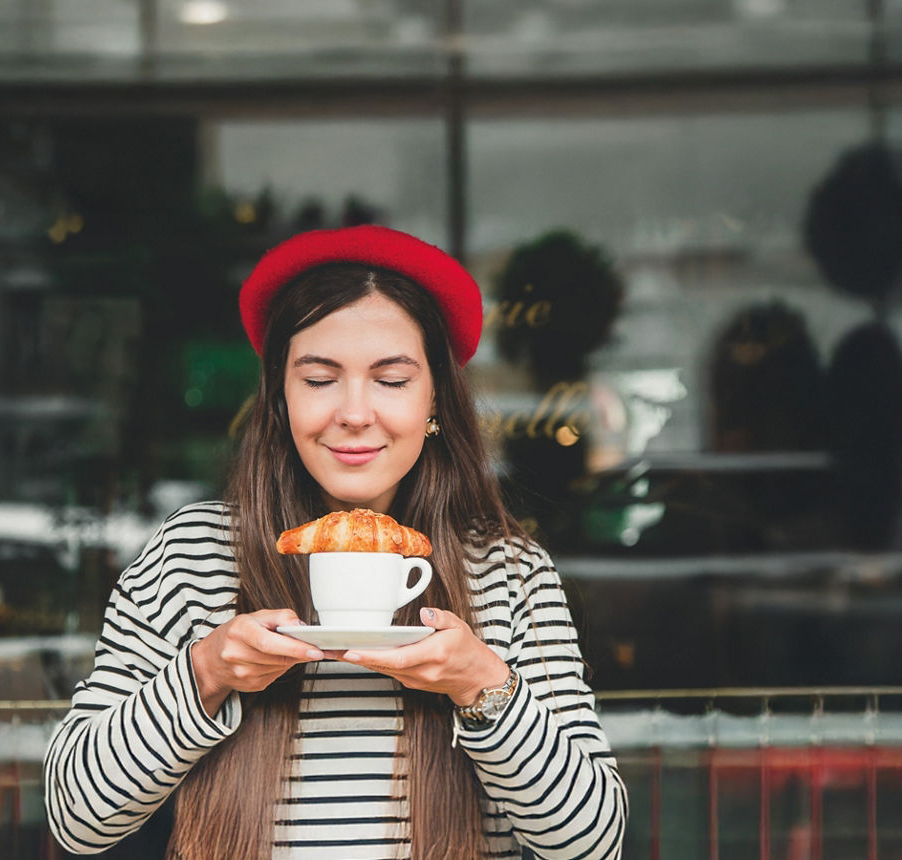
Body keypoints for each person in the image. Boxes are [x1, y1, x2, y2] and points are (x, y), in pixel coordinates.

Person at [43, 225, 628, 859]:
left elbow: (591, 845)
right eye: (319, 379)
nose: (353, 412)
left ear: (435, 401)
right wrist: (206, 673)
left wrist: (481, 683)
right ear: (280, 401)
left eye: (392, 380)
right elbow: (78, 819)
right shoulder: (193, 555)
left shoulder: (509, 571)